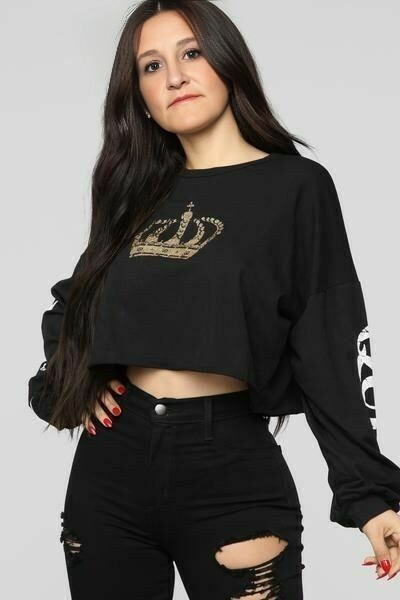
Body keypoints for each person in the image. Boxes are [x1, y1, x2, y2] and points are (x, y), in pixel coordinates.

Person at [27, 1, 400, 598]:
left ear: (227, 62)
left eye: (191, 53)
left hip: (229, 469)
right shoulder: (133, 193)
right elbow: (74, 305)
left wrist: (370, 496)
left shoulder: (295, 188)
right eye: (151, 66)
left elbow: (330, 341)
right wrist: (76, 384)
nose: (174, 76)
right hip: (110, 471)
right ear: (139, 95)